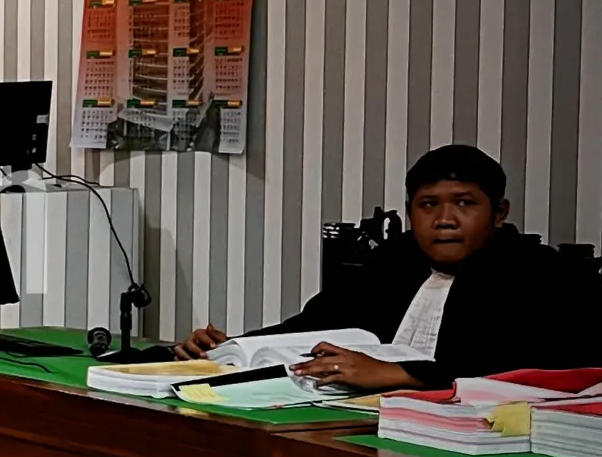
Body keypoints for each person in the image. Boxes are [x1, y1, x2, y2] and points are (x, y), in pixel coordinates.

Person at [175, 144, 601, 390]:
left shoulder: (540, 275)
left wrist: (402, 374)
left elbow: (545, 369)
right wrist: (232, 348)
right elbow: (315, 325)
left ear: (499, 212)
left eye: (465, 204)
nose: (445, 220)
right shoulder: (393, 263)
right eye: (428, 205)